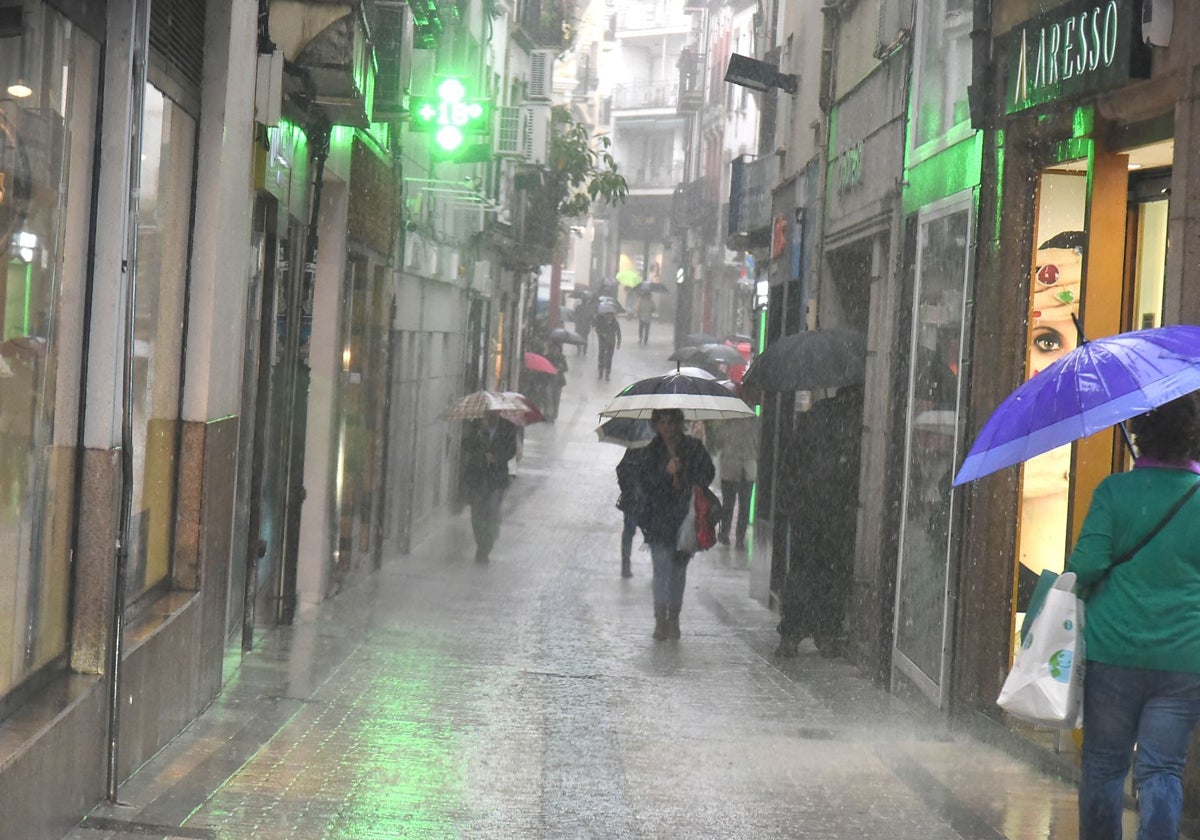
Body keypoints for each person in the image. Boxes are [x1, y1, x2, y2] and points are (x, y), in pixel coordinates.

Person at [1066, 391, 1200, 840]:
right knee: (1162, 769)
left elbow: (1086, 566)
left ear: (1140, 435)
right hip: (1184, 659)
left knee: (1104, 764)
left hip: (1114, 651)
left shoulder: (1113, 491)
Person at [774, 386, 863, 659]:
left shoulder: (814, 417)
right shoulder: (856, 422)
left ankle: (792, 632)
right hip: (836, 511)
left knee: (803, 570)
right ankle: (827, 631)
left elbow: (790, 463)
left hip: (809, 511)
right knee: (832, 573)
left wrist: (790, 497)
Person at [633, 408, 715, 640]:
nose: (668, 428)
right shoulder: (651, 452)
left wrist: (686, 472)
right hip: (659, 521)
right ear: (656, 425)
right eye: (662, 423)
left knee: (678, 571)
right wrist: (665, 472)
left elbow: (708, 473)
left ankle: (674, 618)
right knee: (661, 569)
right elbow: (645, 484)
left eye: (672, 422)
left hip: (685, 520)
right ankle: (660, 622)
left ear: (680, 423)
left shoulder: (693, 448)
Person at [459, 411, 519, 563]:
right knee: (477, 513)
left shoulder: (508, 427)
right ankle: (481, 544)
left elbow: (511, 451)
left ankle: (487, 544)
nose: (490, 414)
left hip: (496, 478)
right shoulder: (476, 425)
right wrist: (480, 434)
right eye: (487, 411)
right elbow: (465, 445)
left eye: (493, 411)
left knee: (492, 511)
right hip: (477, 477)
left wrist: (496, 458)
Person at [708, 414, 760, 549]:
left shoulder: (728, 422)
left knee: (728, 503)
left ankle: (725, 533)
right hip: (747, 468)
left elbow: (718, 443)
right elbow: (760, 444)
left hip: (730, 467)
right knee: (745, 505)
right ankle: (740, 539)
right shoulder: (755, 422)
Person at [615, 445, 646, 578]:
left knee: (629, 531)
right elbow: (621, 470)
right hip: (640, 500)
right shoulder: (658, 449)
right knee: (652, 533)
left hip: (636, 499)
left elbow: (620, 470)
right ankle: (626, 563)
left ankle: (625, 563)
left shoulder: (634, 449)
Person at [543, 340, 569, 421]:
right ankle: (548, 414)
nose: (555, 350)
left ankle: (554, 414)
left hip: (558, 381)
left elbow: (566, 368)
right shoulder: (547, 357)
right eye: (553, 348)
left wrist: (560, 367)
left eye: (556, 348)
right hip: (549, 380)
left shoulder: (562, 357)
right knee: (548, 397)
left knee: (556, 399)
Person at [594, 310, 622, 381]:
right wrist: (601, 334)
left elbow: (618, 333)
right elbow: (597, 329)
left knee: (609, 359)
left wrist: (619, 342)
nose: (610, 317)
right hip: (602, 343)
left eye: (611, 315)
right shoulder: (602, 322)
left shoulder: (615, 323)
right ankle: (600, 373)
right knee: (601, 357)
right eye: (608, 315)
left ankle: (607, 374)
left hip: (611, 343)